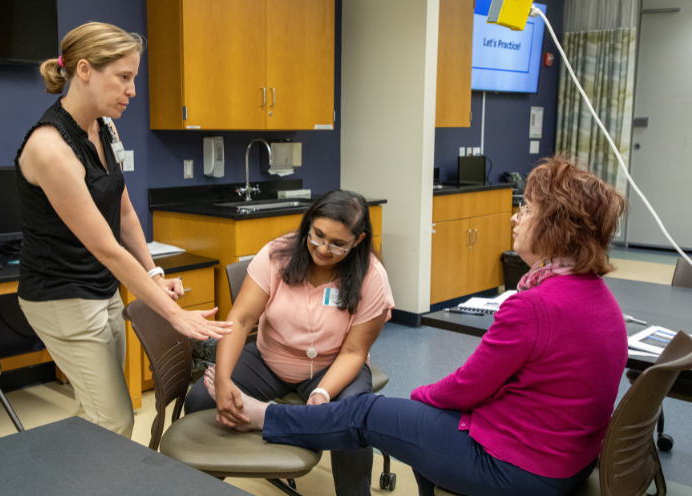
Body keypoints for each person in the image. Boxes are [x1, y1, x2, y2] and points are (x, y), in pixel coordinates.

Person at [203, 156, 629, 496]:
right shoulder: (600, 297)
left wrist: (422, 401)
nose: (516, 218)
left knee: (367, 411)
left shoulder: (533, 306)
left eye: (528, 209)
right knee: (405, 425)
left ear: (555, 227)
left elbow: (466, 387)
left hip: (517, 468)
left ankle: (267, 418)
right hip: (567, 462)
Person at [15, 22, 231, 438]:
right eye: (124, 78)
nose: (133, 90)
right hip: (61, 297)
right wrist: (175, 317)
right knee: (115, 418)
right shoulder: (50, 149)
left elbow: (125, 213)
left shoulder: (106, 128)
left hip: (100, 288)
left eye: (134, 77)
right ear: (83, 70)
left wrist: (153, 273)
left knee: (96, 411)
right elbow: (107, 249)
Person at [184, 190, 395, 496]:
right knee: (201, 399)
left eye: (338, 243)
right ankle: (198, 487)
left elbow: (354, 351)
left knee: (353, 420)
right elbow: (241, 320)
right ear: (307, 224)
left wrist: (324, 393)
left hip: (333, 365)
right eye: (317, 235)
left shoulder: (372, 276)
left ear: (358, 240)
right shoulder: (277, 255)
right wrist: (225, 378)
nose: (323, 249)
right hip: (269, 358)